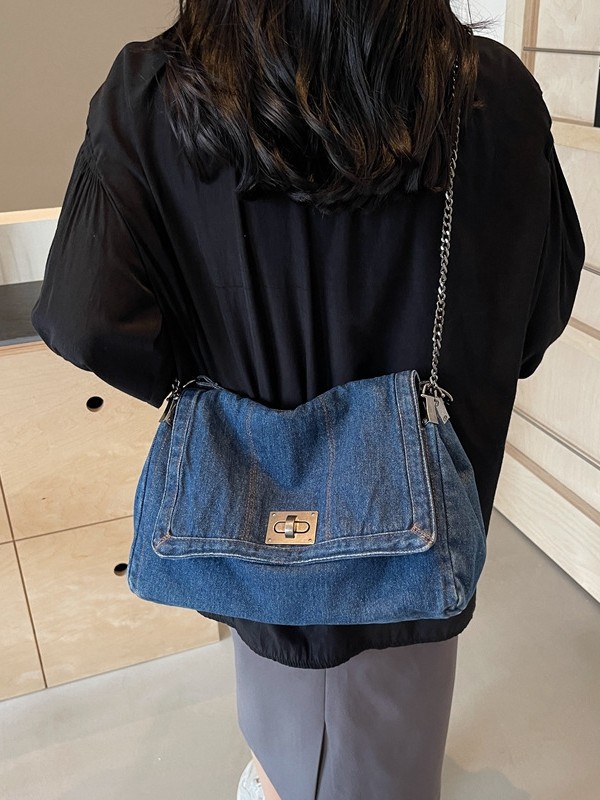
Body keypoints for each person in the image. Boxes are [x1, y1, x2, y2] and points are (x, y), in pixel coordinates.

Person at [30, 2, 585, 799]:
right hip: (420, 526)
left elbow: (83, 316)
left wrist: (217, 401)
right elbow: (538, 308)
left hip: (252, 517)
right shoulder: (487, 89)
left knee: (299, 721)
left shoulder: (159, 89)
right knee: (388, 728)